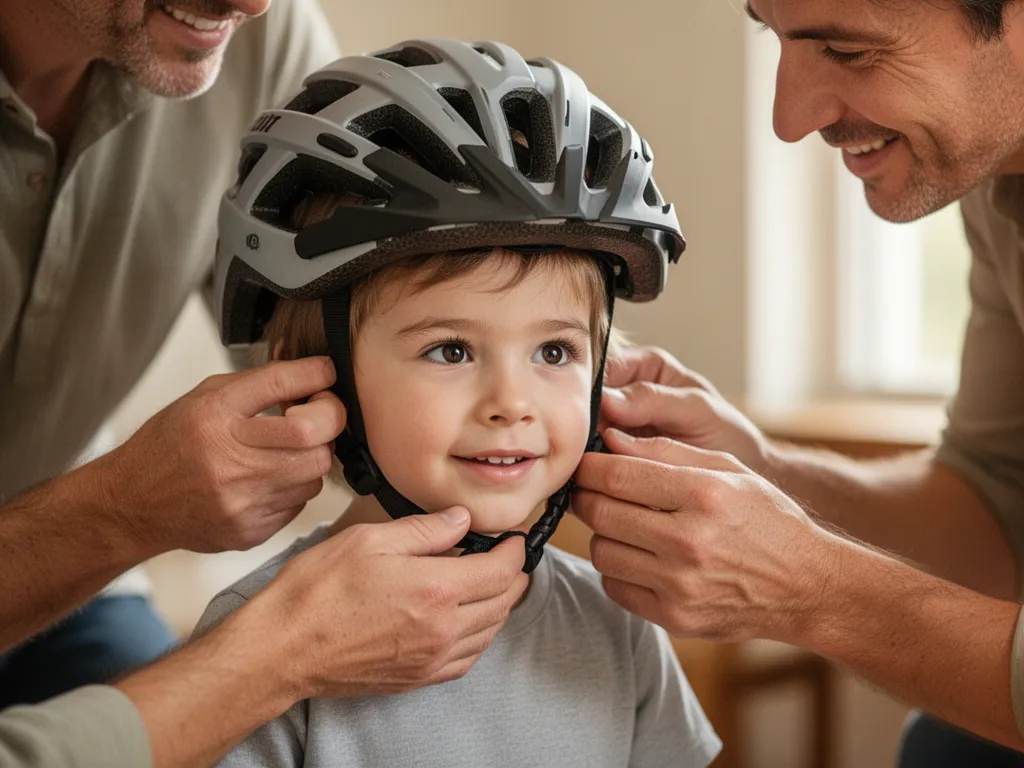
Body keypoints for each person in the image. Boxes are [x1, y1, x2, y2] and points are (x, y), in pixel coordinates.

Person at [0, 0, 527, 764]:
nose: (253, 2)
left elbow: (341, 348)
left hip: (76, 586)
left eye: (559, 352)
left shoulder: (254, 45)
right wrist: (118, 511)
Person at [193, 39, 721, 767]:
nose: (512, 402)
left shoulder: (618, 625)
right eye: (451, 350)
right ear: (317, 378)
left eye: (554, 352)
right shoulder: (258, 645)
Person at [571, 0, 1024, 764]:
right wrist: (765, 472)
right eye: (773, 36)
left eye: (846, 51)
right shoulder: (998, 182)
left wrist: (811, 589)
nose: (788, 118)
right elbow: (999, 515)